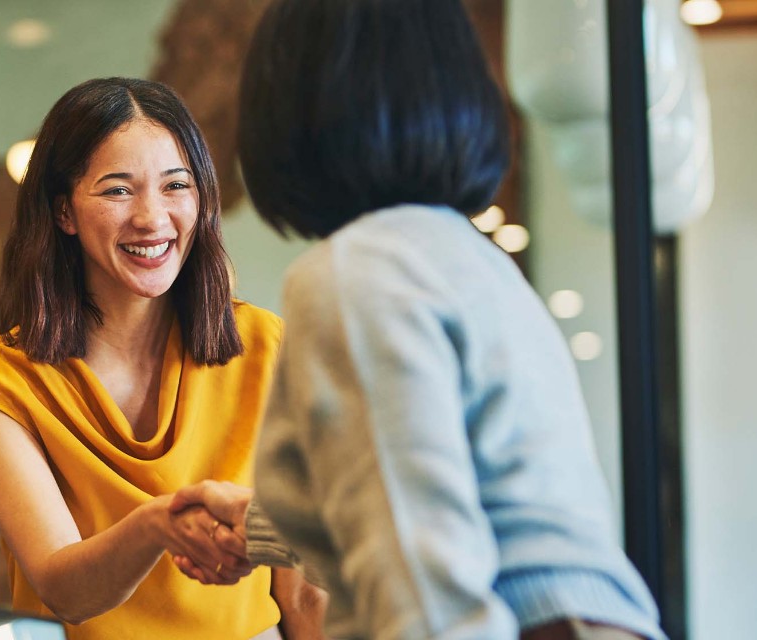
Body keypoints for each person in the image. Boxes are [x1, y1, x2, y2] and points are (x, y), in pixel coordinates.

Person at [167, 1, 668, 638]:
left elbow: (423, 584)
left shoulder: (357, 275)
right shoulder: (470, 259)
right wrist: (260, 524)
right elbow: (471, 501)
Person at [0, 77, 324, 640]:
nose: (152, 217)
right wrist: (158, 526)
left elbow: (304, 589)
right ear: (63, 212)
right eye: (117, 190)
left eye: (176, 185)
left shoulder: (270, 349)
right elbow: (64, 589)